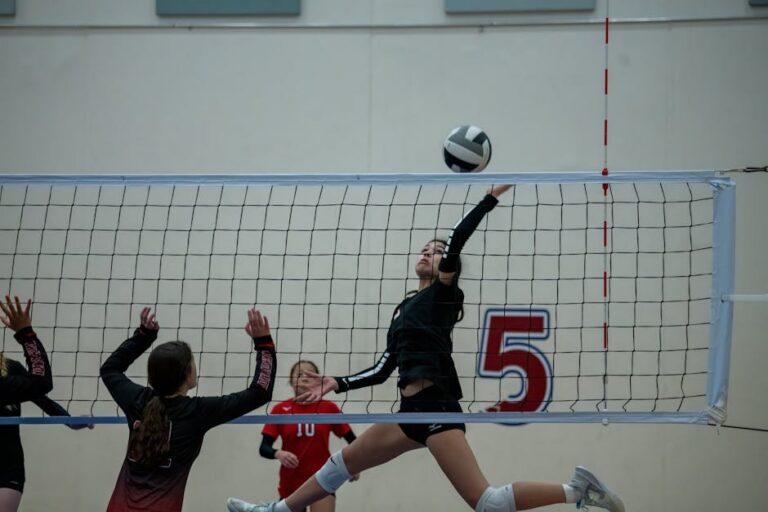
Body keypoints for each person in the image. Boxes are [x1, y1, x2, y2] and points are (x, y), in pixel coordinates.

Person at [227, 186, 624, 512]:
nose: (426, 253)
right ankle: (275, 511)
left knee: (487, 503)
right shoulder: (404, 307)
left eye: (434, 252)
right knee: (341, 465)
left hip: (437, 406)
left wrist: (486, 200)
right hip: (409, 411)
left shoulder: (444, 295)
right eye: (424, 249)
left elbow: (454, 244)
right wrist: (337, 382)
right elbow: (386, 365)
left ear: (446, 267)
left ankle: (577, 491)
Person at [101, 306, 276, 512]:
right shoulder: (197, 412)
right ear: (187, 374)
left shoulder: (137, 400)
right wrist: (264, 343)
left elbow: (109, 369)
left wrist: (143, 336)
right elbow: (260, 392)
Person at [0, 295, 93, 512]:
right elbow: (41, 382)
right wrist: (26, 334)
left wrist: (68, 420)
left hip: (7, 469)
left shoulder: (8, 369)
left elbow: (40, 394)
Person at [260, 360, 358, 512]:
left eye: (310, 375)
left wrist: (354, 466)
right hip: (291, 483)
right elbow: (263, 448)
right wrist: (278, 453)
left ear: (319, 382)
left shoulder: (328, 408)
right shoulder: (280, 409)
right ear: (291, 381)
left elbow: (353, 441)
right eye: (299, 374)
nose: (304, 377)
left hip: (323, 479)